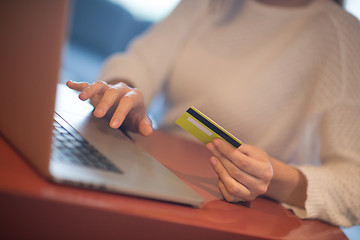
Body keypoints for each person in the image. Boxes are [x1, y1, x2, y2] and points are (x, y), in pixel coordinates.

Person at [67, 0, 360, 227]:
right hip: (152, 178)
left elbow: (354, 188)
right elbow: (140, 62)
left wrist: (276, 178)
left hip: (237, 215)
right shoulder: (207, 3)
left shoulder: (340, 35)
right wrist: (125, 92)